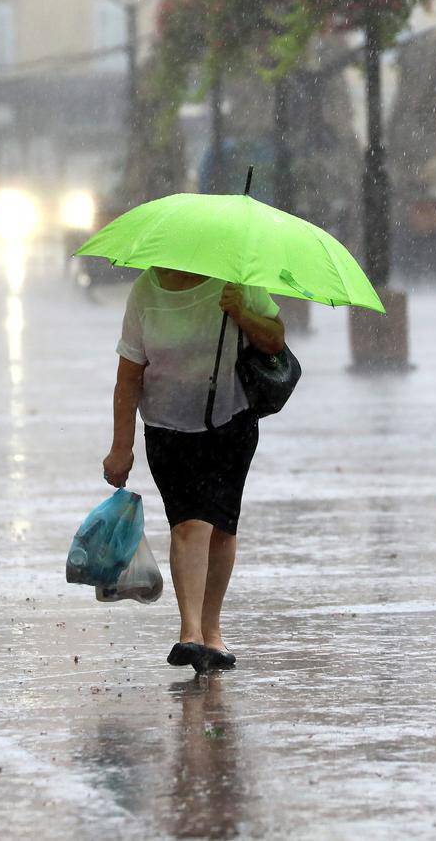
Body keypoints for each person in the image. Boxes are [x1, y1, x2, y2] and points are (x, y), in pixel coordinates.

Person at [103, 267, 284, 673]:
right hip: (167, 431)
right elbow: (128, 374)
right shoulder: (146, 290)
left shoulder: (237, 280)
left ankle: (212, 631)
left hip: (231, 425)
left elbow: (274, 340)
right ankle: (191, 633)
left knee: (221, 526)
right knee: (189, 524)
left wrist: (242, 312)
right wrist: (121, 446)